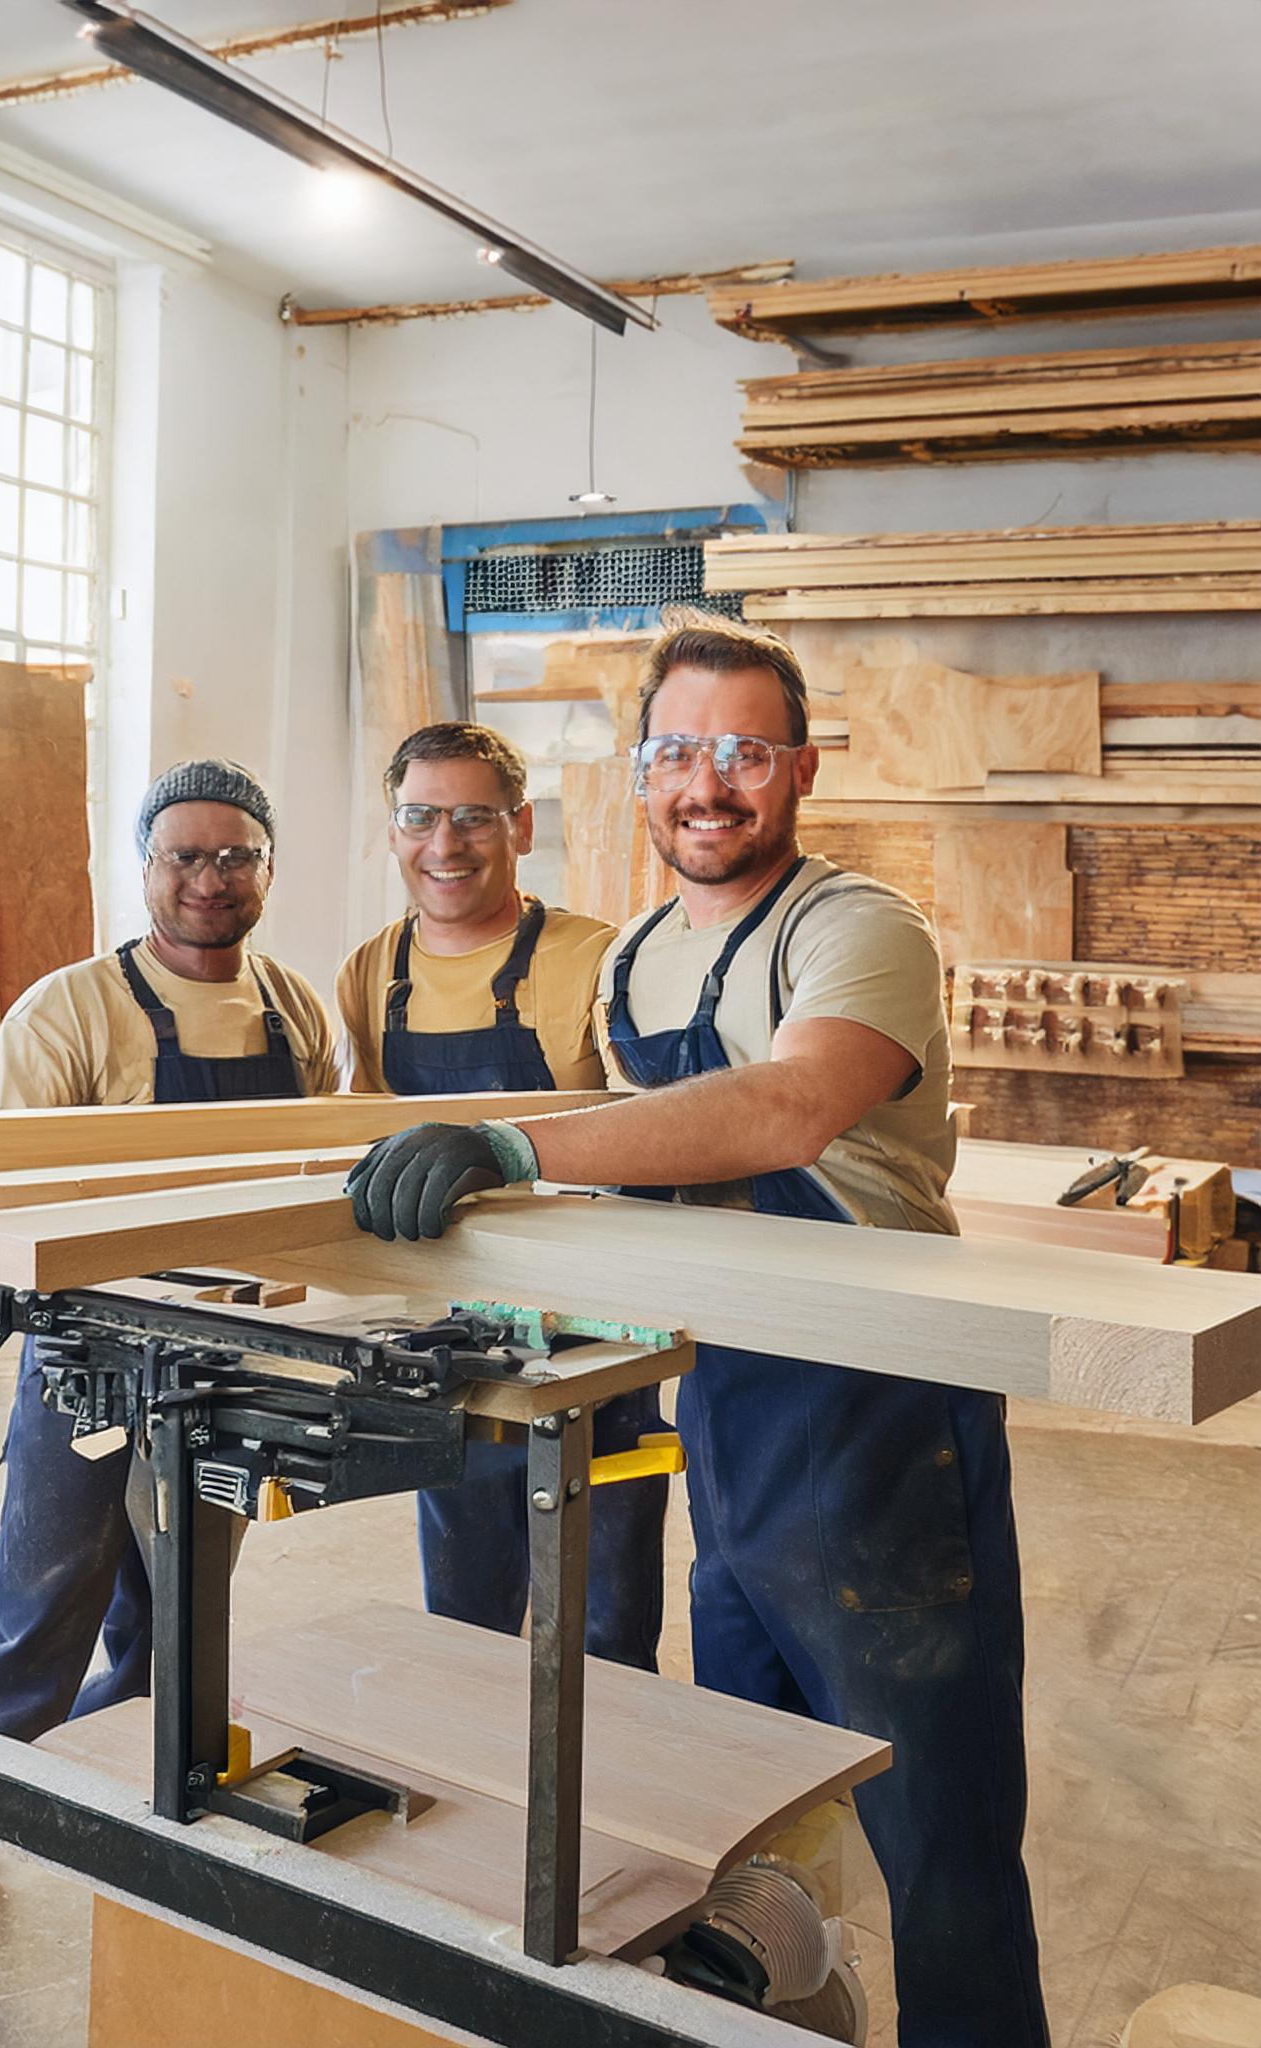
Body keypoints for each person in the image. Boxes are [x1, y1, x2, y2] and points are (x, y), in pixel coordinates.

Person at [343, 614, 1047, 2047]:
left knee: (945, 1855)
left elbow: (785, 1109)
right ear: (639, 775)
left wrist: (516, 1142)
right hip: (726, 1433)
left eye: (744, 750)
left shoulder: (860, 929)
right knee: (745, 1833)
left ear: (797, 772)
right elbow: (651, 1171)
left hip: (885, 1437)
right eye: (676, 750)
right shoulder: (641, 960)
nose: (706, 784)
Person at [0, 759, 336, 1918]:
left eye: (234, 855)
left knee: (182, 1599)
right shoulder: (70, 1009)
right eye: (183, 855)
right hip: (90, 1349)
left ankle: (155, 1782)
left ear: (265, 867)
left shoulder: (295, 1006)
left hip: (230, 1354)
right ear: (144, 866)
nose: (208, 878)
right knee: (45, 1587)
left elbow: (316, 1167)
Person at [334, 722, 667, 1665]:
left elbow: (648, 1134)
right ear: (393, 830)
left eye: (475, 816)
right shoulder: (372, 972)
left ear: (520, 826)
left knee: (603, 1615)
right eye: (420, 816)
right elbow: (366, 1136)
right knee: (464, 1603)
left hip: (595, 1328)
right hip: (445, 1334)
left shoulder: (599, 957)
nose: (446, 844)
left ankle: (602, 1789)